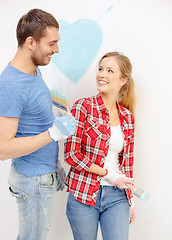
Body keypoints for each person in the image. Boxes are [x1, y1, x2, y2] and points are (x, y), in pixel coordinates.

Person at [0, 9, 75, 240]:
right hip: (32, 182)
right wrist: (52, 134)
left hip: (43, 176)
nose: (57, 50)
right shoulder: (11, 86)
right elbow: (3, 149)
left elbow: (29, 118)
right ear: (31, 42)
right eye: (52, 43)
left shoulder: (33, 70)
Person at [64, 51, 136, 240]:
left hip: (117, 196)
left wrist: (131, 201)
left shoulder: (127, 118)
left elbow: (127, 164)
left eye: (110, 71)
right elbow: (72, 155)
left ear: (123, 80)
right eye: (101, 69)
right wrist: (108, 174)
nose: (102, 74)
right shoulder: (82, 107)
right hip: (83, 193)